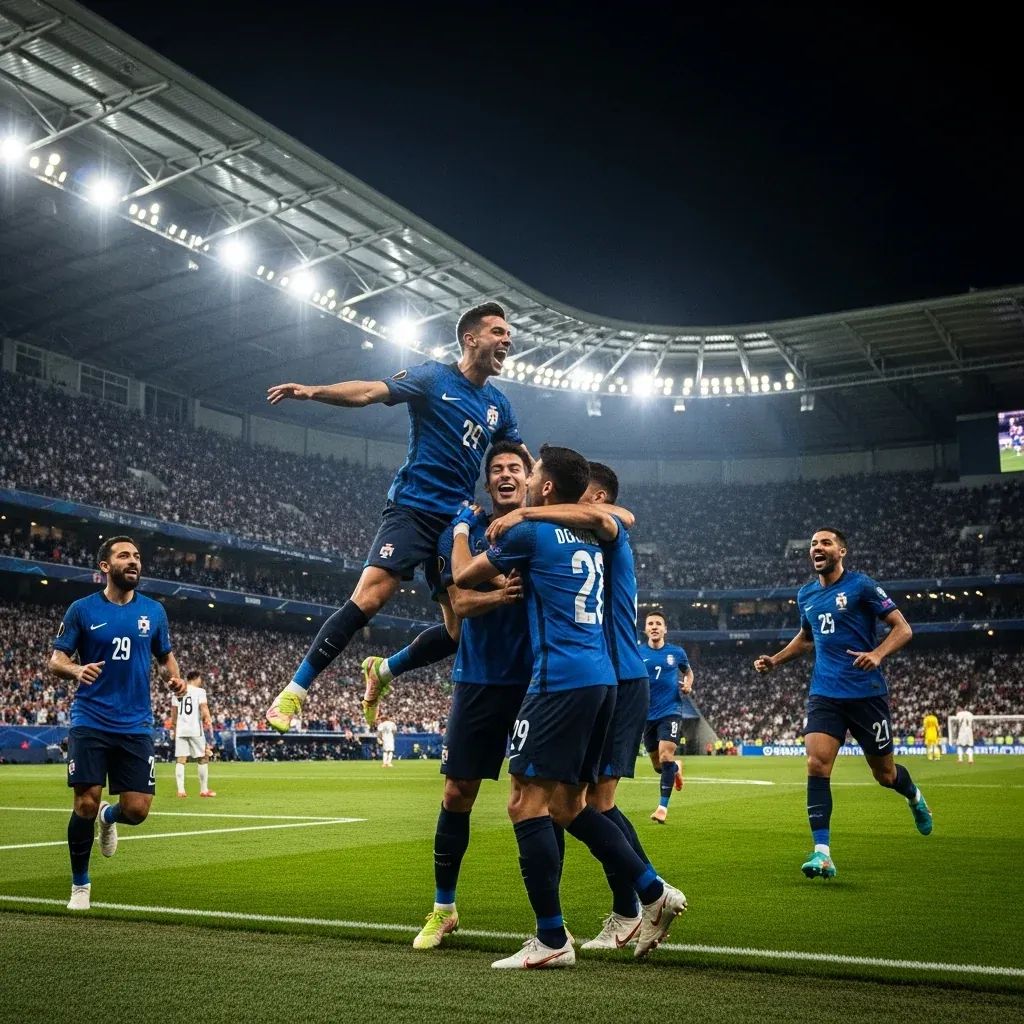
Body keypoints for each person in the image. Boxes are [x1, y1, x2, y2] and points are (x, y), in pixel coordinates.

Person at [453, 445, 686, 969]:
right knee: (570, 805)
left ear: (547, 486)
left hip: (560, 679)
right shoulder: (598, 531)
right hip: (604, 679)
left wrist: (461, 530)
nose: (525, 478)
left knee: (525, 800)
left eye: (531, 472)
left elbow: (464, 577)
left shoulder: (530, 532)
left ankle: (553, 938)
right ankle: (648, 894)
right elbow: (613, 515)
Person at [263, 302, 523, 732]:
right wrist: (314, 391)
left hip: (455, 522)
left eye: (508, 333)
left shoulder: (500, 405)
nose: (507, 339)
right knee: (370, 597)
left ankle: (383, 671)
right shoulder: (432, 378)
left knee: (458, 632)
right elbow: (368, 391)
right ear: (470, 339)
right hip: (413, 508)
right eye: (498, 332)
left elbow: (517, 459)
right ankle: (294, 692)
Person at [485, 460, 656, 950]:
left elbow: (622, 516)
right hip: (609, 676)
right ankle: (634, 907)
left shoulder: (604, 527)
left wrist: (524, 516)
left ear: (594, 500)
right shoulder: (587, 537)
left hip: (616, 676)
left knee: (592, 803)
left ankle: (643, 902)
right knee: (569, 804)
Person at [753, 528, 932, 881]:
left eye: (825, 543)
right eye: (813, 544)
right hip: (825, 694)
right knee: (816, 764)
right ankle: (822, 854)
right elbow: (806, 640)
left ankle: (913, 795)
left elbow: (903, 628)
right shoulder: (805, 594)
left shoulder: (862, 586)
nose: (817, 548)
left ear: (842, 551)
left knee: (885, 775)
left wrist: (878, 653)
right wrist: (775, 660)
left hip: (866, 694)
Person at [412, 442, 532, 950]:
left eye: (515, 469)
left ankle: (550, 923)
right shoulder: (458, 534)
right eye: (497, 470)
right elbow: (459, 601)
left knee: (535, 802)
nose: (506, 476)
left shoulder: (542, 530)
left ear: (530, 479)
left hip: (535, 682)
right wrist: (501, 595)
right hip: (478, 679)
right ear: (487, 483)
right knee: (457, 793)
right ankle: (443, 909)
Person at [48, 536, 186, 910]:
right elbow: (56, 660)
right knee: (84, 803)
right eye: (125, 556)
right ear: (105, 567)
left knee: (138, 810)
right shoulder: (82, 609)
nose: (134, 561)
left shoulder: (154, 612)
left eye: (137, 556)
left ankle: (110, 817)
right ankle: (80, 885)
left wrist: (174, 678)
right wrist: (77, 669)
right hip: (90, 719)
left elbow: (165, 657)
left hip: (137, 724)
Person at [641, 611, 693, 824]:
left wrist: (688, 683)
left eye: (658, 624)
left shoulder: (677, 653)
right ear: (645, 629)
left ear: (664, 629)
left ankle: (662, 808)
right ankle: (676, 768)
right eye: (650, 624)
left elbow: (688, 672)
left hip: (670, 711)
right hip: (647, 714)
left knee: (665, 756)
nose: (654, 627)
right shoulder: (637, 652)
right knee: (658, 765)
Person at [172, 670, 216, 797]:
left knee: (181, 759)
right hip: (195, 729)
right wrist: (207, 718)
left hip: (181, 729)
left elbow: (174, 713)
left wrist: (174, 729)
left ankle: (181, 790)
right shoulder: (200, 691)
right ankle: (204, 790)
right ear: (196, 678)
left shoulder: (177, 690)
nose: (201, 681)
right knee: (203, 757)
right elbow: (203, 707)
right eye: (200, 679)